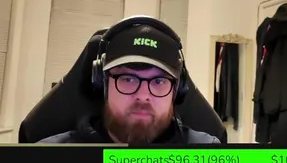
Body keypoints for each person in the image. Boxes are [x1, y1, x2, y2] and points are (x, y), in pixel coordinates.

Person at [38, 22, 220, 144]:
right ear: (103, 84)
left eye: (159, 81)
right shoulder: (49, 158)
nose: (143, 95)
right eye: (128, 79)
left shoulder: (208, 158)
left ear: (177, 90)